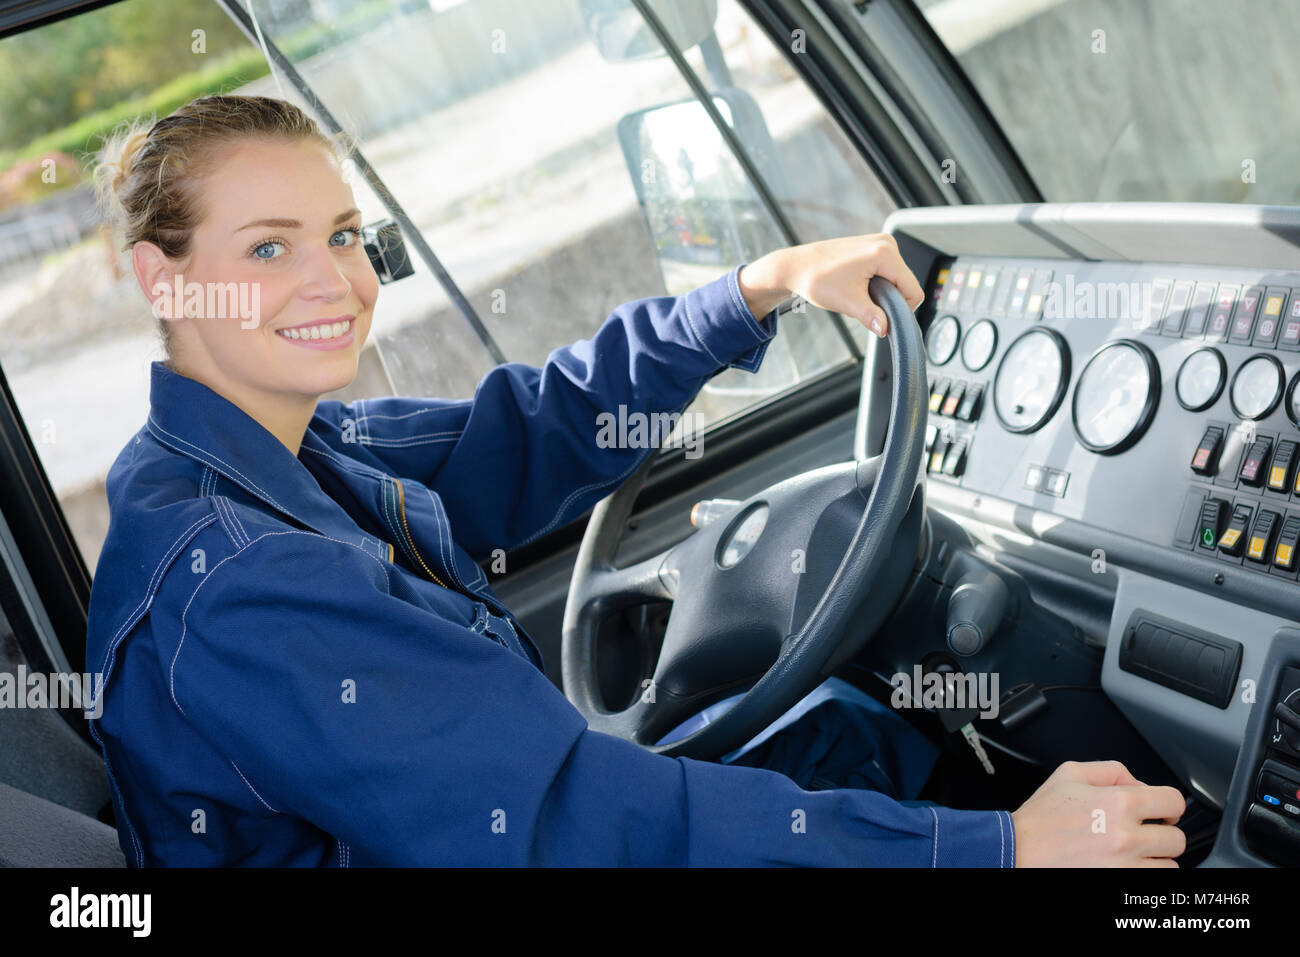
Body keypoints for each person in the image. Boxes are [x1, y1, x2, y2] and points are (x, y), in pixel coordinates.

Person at [84, 94, 1186, 867]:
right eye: (268, 249)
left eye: (343, 235)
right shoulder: (241, 584)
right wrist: (993, 851)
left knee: (858, 728)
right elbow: (563, 823)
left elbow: (530, 430)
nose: (336, 280)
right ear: (161, 277)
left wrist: (760, 289)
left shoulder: (284, 456)